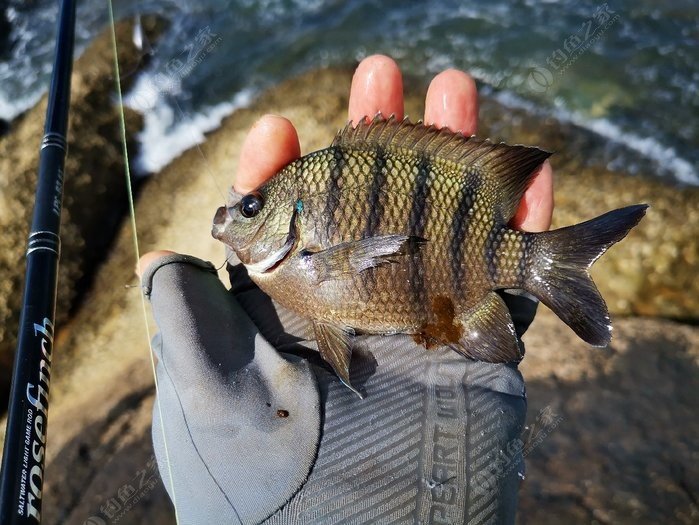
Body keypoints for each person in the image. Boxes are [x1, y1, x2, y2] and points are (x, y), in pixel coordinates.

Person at [137, 55, 554, 524]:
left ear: (291, 215)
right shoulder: (286, 253)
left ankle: (545, 263)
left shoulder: (296, 245)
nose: (231, 217)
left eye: (251, 208)